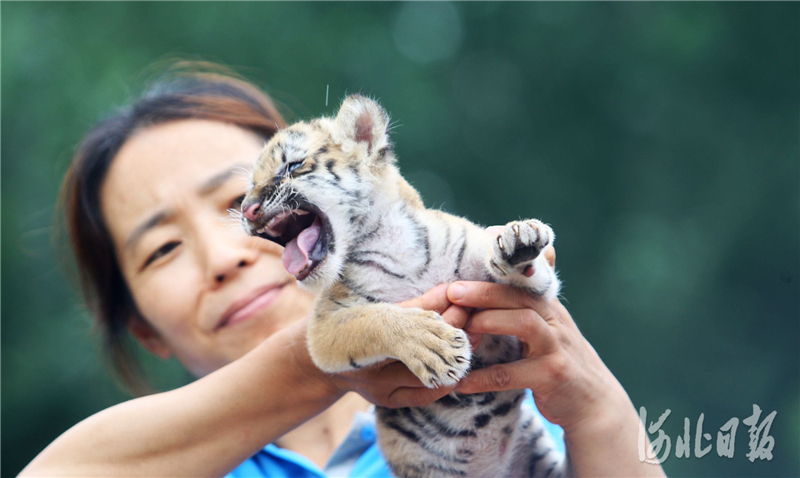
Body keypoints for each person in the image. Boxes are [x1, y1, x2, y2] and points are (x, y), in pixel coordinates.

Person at [21, 64, 665, 477]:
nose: (224, 257)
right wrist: (316, 363)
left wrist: (597, 410)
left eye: (230, 203)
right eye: (162, 249)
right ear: (144, 329)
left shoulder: (512, 386)